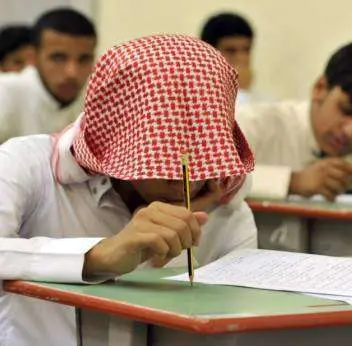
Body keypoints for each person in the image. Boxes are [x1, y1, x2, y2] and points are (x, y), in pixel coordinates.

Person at [0, 34, 257, 346]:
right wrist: (96, 257)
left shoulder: (227, 213)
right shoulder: (28, 165)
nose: (183, 180)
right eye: (161, 154)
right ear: (118, 133)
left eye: (200, 156)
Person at [237, 39, 352, 201]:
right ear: (320, 88)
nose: (351, 132)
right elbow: (213, 176)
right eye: (347, 110)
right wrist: (294, 182)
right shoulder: (255, 124)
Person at [0, 8, 97, 143]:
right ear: (33, 56)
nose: (72, 73)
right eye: (58, 58)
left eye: (84, 59)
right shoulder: (5, 92)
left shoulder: (95, 100)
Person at [200, 12, 260, 106]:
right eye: (231, 51)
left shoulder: (265, 100)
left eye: (246, 50)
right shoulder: (196, 99)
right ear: (208, 53)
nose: (241, 58)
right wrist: (240, 91)